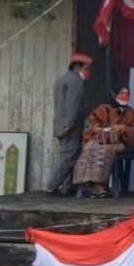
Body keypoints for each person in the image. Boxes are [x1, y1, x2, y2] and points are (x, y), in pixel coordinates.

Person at [72, 84, 134, 197]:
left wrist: (123, 128)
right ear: (114, 95)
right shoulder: (102, 108)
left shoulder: (130, 112)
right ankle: (94, 186)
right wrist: (98, 129)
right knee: (90, 147)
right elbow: (89, 123)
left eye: (127, 94)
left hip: (119, 142)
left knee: (106, 149)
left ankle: (98, 187)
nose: (125, 96)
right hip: (99, 139)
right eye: (122, 93)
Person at [44, 52, 92, 195]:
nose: (88, 71)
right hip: (70, 126)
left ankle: (66, 187)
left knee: (71, 153)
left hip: (60, 123)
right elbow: (73, 104)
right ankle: (51, 185)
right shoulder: (75, 81)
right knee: (69, 154)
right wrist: (69, 124)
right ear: (78, 66)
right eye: (86, 67)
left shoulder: (61, 79)